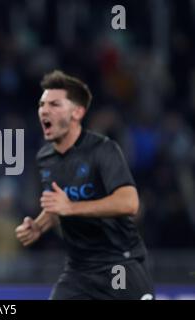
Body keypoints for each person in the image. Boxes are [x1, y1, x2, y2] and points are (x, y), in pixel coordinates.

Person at [15, 70, 154, 300]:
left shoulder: (103, 150)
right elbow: (58, 205)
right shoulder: (45, 158)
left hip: (119, 264)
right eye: (42, 104)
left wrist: (71, 207)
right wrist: (39, 226)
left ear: (77, 112)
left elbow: (129, 203)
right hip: (79, 271)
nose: (44, 110)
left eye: (54, 104)